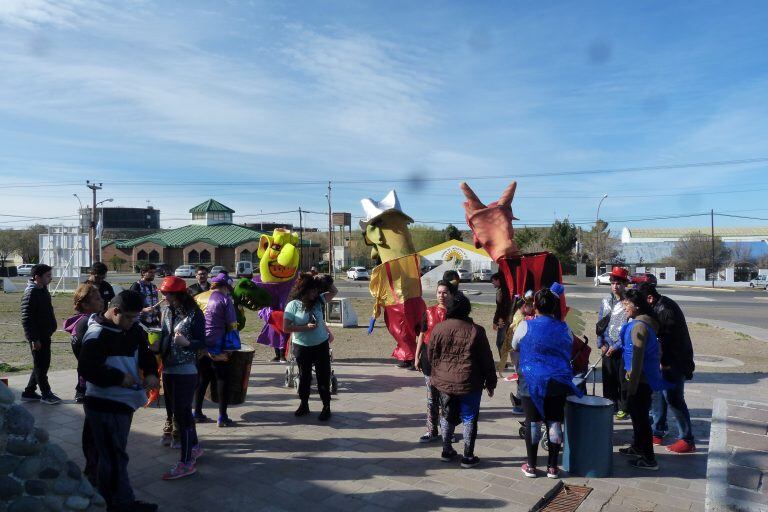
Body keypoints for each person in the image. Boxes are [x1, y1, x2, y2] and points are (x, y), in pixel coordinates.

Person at [78, 290, 160, 512]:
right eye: (130, 317)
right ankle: (120, 503)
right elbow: (87, 369)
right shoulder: (96, 334)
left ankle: (112, 499)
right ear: (115, 311)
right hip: (105, 403)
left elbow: (145, 351)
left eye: (135, 318)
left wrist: (151, 372)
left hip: (124, 402)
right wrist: (118, 377)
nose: (133, 322)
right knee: (114, 457)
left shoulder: (132, 329)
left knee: (114, 455)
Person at [512, 284, 582, 479]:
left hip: (531, 381)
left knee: (532, 423)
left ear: (535, 305)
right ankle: (553, 467)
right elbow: (570, 347)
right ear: (554, 307)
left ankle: (532, 466)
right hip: (558, 381)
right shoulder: (565, 328)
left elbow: (514, 345)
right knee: (554, 422)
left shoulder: (525, 325)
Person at [429, 293, 497, 469]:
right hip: (469, 382)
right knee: (469, 417)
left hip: (443, 381)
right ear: (467, 310)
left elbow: (431, 355)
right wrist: (491, 382)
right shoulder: (476, 330)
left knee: (447, 414)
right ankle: (468, 456)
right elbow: (486, 360)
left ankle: (446, 450)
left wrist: (437, 374)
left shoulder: (438, 328)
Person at [153, 276, 206, 480]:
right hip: (168, 367)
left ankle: (186, 463)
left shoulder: (195, 314)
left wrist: (187, 343)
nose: (164, 297)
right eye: (163, 293)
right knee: (176, 410)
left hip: (186, 369)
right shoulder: (165, 310)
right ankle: (194, 446)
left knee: (183, 415)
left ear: (179, 294)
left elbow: (203, 342)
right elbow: (165, 333)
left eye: (167, 293)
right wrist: (158, 343)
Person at [637, 282, 696, 454]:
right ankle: (658, 429)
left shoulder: (666, 310)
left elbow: (666, 339)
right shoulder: (656, 306)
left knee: (673, 398)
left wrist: (663, 361)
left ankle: (687, 439)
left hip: (674, 361)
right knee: (658, 396)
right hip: (664, 361)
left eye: (641, 302)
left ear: (650, 298)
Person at [617, 288, 670, 471]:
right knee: (637, 416)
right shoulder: (641, 322)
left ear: (637, 306)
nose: (624, 307)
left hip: (640, 380)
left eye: (627, 304)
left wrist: (631, 386)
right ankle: (638, 447)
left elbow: (637, 358)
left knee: (641, 420)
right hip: (640, 378)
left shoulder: (639, 326)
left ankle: (649, 458)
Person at [63, 282, 104, 482]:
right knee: (94, 429)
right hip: (91, 384)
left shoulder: (82, 322)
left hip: (86, 383)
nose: (102, 301)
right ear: (85, 304)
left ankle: (92, 467)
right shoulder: (89, 323)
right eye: (97, 298)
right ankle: (93, 469)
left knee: (91, 427)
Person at [283, 273, 338, 421]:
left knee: (323, 377)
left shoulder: (319, 301)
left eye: (316, 290)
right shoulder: (293, 305)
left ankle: (326, 407)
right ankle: (304, 404)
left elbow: (334, 291)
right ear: (303, 291)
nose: (315, 294)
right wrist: (305, 327)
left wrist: (324, 278)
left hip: (321, 345)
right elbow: (286, 328)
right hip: (302, 347)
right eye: (311, 291)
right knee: (304, 377)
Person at [414, 280, 456, 443]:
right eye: (439, 292)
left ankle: (448, 430)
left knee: (447, 399)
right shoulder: (428, 312)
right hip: (428, 360)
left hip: (448, 362)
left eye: (445, 292)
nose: (442, 295)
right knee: (431, 398)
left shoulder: (454, 313)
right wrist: (416, 356)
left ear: (451, 294)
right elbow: (422, 335)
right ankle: (431, 430)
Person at [202, 272, 240, 427]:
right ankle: (222, 416)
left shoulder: (199, 297)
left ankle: (197, 412)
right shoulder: (225, 300)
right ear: (225, 287)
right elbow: (232, 325)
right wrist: (231, 348)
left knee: (202, 379)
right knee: (222, 379)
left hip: (200, 344)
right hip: (217, 343)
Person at [20, 263, 61, 404]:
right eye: (48, 276)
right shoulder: (30, 293)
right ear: (37, 277)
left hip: (45, 334)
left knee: (41, 364)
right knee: (41, 365)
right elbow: (27, 319)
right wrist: (33, 339)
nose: (51, 278)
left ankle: (29, 392)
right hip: (37, 337)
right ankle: (46, 393)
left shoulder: (42, 289)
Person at [597, 266, 630, 420]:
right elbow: (600, 324)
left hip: (622, 349)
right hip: (606, 348)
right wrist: (601, 344)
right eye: (613, 283)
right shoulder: (605, 302)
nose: (615, 286)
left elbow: (628, 328)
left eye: (619, 283)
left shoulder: (628, 303)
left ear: (625, 285)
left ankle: (623, 407)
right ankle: (610, 405)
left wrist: (616, 346)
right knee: (608, 379)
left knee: (622, 380)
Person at [500, 289, 535, 414]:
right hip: (519, 352)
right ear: (524, 306)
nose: (532, 308)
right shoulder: (521, 320)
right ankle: (519, 403)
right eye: (531, 306)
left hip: (516, 352)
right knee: (522, 377)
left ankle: (519, 401)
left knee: (521, 377)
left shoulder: (518, 315)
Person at [130, 263, 160, 327]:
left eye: (154, 272)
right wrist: (143, 310)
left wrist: (160, 320)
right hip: (140, 323)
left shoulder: (154, 287)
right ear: (143, 273)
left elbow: (157, 306)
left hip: (154, 323)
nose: (153, 274)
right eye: (150, 272)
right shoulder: (136, 286)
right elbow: (130, 305)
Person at [491, 272, 512, 360]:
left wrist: (496, 321)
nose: (492, 283)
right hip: (506, 318)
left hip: (502, 319)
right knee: (502, 341)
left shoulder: (501, 291)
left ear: (498, 280)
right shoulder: (506, 289)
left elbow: (500, 308)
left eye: (493, 281)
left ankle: (503, 363)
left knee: (500, 342)